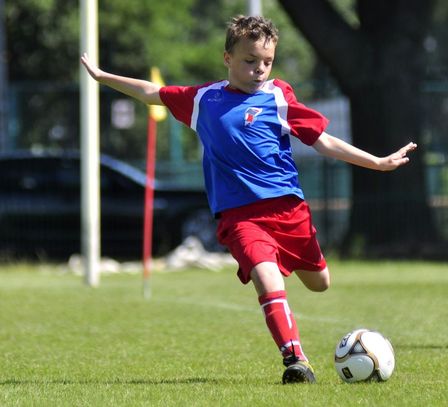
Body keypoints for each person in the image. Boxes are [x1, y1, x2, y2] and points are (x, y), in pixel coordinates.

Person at [81, 15, 416, 384]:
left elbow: (322, 141)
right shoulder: (203, 99)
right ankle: (296, 359)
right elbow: (151, 93)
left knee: (320, 282)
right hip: (239, 216)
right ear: (228, 58)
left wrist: (376, 162)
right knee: (266, 277)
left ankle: (297, 321)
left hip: (288, 210)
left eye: (267, 62)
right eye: (250, 60)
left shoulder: (278, 96)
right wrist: (102, 76)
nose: (259, 69)